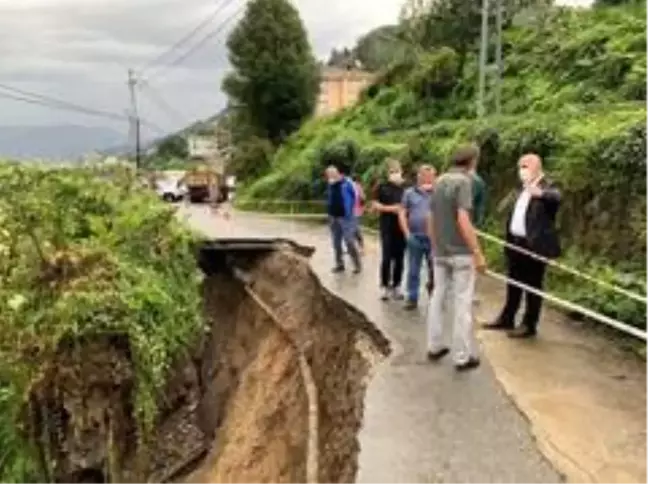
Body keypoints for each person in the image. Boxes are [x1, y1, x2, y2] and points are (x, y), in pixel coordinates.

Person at [484, 153, 561, 338]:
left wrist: (541, 194)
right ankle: (507, 317)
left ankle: (529, 324)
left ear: (537, 167)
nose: (522, 171)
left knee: (533, 285)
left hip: (534, 245)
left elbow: (557, 197)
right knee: (513, 283)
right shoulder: (521, 189)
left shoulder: (548, 186)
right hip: (515, 243)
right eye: (520, 167)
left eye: (525, 166)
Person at [426, 144, 486, 371]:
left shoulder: (439, 181)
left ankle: (434, 345)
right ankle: (462, 355)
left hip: (440, 252)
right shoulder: (464, 183)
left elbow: (430, 217)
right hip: (461, 253)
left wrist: (434, 246)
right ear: (472, 162)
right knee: (462, 303)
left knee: (437, 297)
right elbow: (463, 219)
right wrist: (477, 252)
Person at [399, 164, 436, 310]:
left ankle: (434, 296)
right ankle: (412, 298)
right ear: (419, 176)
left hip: (434, 238)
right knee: (413, 269)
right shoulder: (409, 193)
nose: (427, 178)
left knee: (435, 269)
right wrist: (406, 232)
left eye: (430, 175)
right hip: (415, 236)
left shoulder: (439, 193)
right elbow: (402, 212)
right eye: (424, 175)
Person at [372, 159, 407, 301]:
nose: (395, 174)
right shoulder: (382, 187)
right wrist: (391, 208)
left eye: (397, 171)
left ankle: (397, 285)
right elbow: (374, 205)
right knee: (386, 257)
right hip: (386, 227)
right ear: (388, 173)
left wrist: (402, 210)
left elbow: (410, 205)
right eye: (392, 172)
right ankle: (385, 286)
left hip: (402, 227)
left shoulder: (407, 188)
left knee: (400, 258)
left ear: (402, 171)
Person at [325, 165, 362, 274]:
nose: (330, 177)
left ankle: (357, 264)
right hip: (333, 217)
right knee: (336, 242)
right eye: (328, 175)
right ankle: (339, 264)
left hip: (347, 217)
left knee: (349, 241)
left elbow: (356, 196)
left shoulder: (347, 183)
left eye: (332, 175)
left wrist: (353, 212)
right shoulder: (330, 184)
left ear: (337, 173)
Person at [351, 175, 366, 253]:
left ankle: (361, 247)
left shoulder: (358, 187)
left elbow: (363, 198)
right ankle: (357, 247)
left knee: (355, 230)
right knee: (354, 230)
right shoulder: (357, 187)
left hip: (356, 212)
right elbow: (363, 198)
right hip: (354, 212)